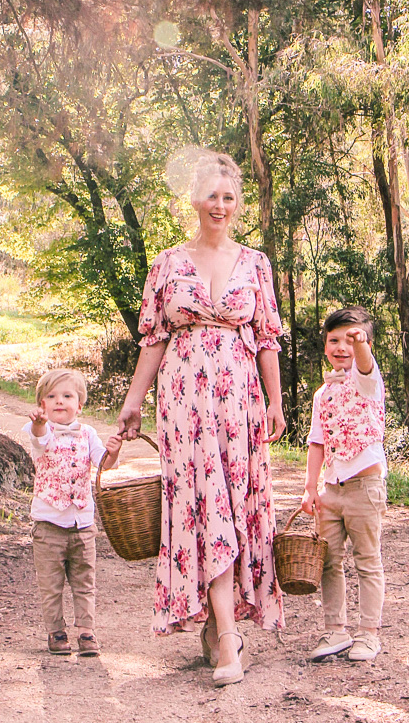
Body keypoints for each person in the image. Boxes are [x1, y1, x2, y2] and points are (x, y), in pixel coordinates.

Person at [116, 151, 285, 686]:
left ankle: (223, 625)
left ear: (238, 204)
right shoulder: (167, 262)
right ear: (193, 199)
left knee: (234, 504)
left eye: (229, 197)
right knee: (201, 503)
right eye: (211, 195)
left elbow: (267, 340)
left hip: (238, 401)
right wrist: (133, 399)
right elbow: (154, 339)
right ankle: (228, 636)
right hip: (185, 402)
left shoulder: (255, 263)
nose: (220, 205)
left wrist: (276, 402)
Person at [303, 306, 387, 664]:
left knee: (367, 560)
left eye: (350, 339)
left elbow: (365, 363)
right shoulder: (322, 394)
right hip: (332, 490)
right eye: (334, 339)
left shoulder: (367, 380)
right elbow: (317, 441)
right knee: (329, 561)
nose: (342, 346)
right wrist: (311, 488)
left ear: (365, 342)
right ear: (324, 345)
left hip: (365, 486)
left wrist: (361, 344)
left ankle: (368, 634)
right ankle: (335, 628)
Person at [23, 367, 122, 658]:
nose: (59, 402)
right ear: (41, 405)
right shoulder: (39, 431)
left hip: (81, 524)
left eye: (67, 396)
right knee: (51, 584)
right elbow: (39, 439)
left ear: (80, 404)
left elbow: (104, 464)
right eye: (51, 396)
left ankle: (87, 632)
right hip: (48, 524)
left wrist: (113, 451)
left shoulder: (87, 433)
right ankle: (56, 632)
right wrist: (40, 425)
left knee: (84, 581)